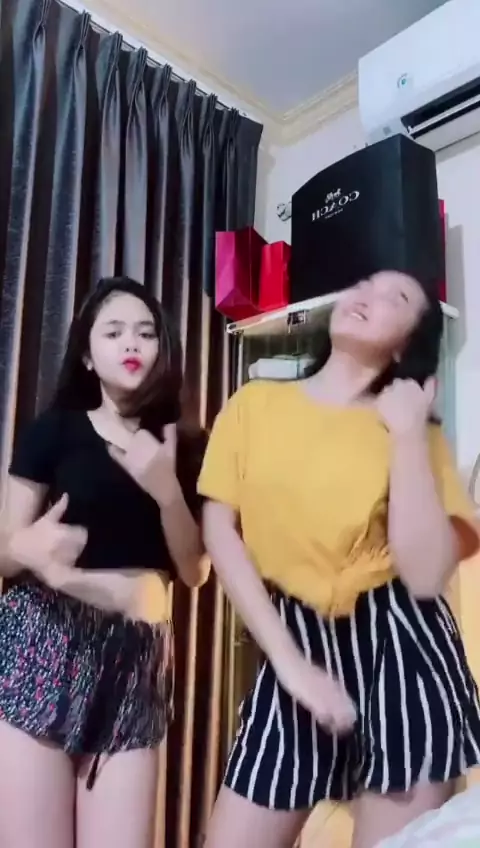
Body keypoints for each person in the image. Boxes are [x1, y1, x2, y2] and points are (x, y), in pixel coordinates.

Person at [198, 270, 480, 848]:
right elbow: (220, 530)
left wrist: (407, 435)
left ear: (406, 345)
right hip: (294, 641)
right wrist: (291, 667)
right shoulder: (255, 404)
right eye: (365, 284)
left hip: (403, 649)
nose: (368, 296)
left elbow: (426, 574)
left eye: (397, 297)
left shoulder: (416, 435)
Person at [0, 276, 209, 848]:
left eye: (145, 332)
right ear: (88, 356)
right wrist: (28, 549)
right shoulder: (53, 432)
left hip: (135, 658)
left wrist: (168, 492)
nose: (131, 342)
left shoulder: (186, 444)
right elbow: (6, 552)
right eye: (113, 332)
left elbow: (194, 572)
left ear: (163, 348)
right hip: (43, 639)